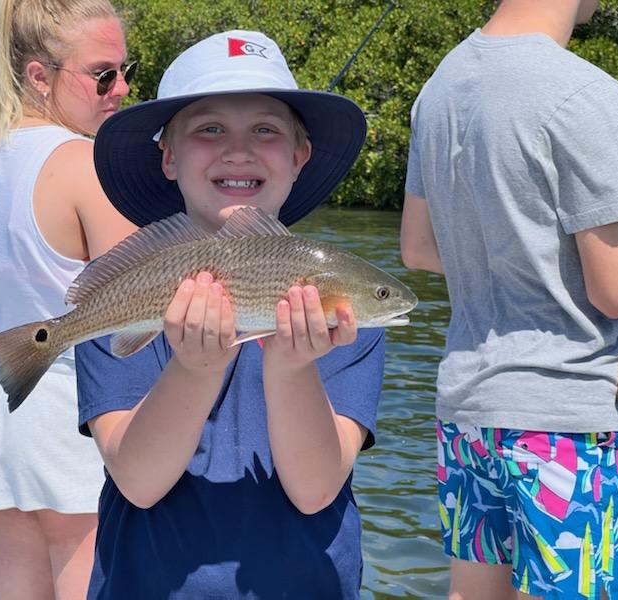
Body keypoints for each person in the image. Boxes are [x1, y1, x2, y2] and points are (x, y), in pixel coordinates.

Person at [73, 30, 384, 598]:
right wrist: (193, 369)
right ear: (167, 157)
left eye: (266, 129)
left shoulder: (344, 311)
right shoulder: (124, 295)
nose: (238, 149)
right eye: (209, 129)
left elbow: (315, 489)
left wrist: (293, 367)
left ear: (299, 157)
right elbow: (138, 482)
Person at [400, 1, 618, 598]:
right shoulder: (587, 93)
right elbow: (615, 289)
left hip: (468, 414)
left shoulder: (440, 86)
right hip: (569, 419)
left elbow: (418, 248)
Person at [0, 0, 137, 597]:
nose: (123, 89)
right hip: (82, 421)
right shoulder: (86, 163)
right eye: (104, 74)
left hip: (4, 412)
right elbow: (144, 304)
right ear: (38, 75)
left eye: (127, 69)